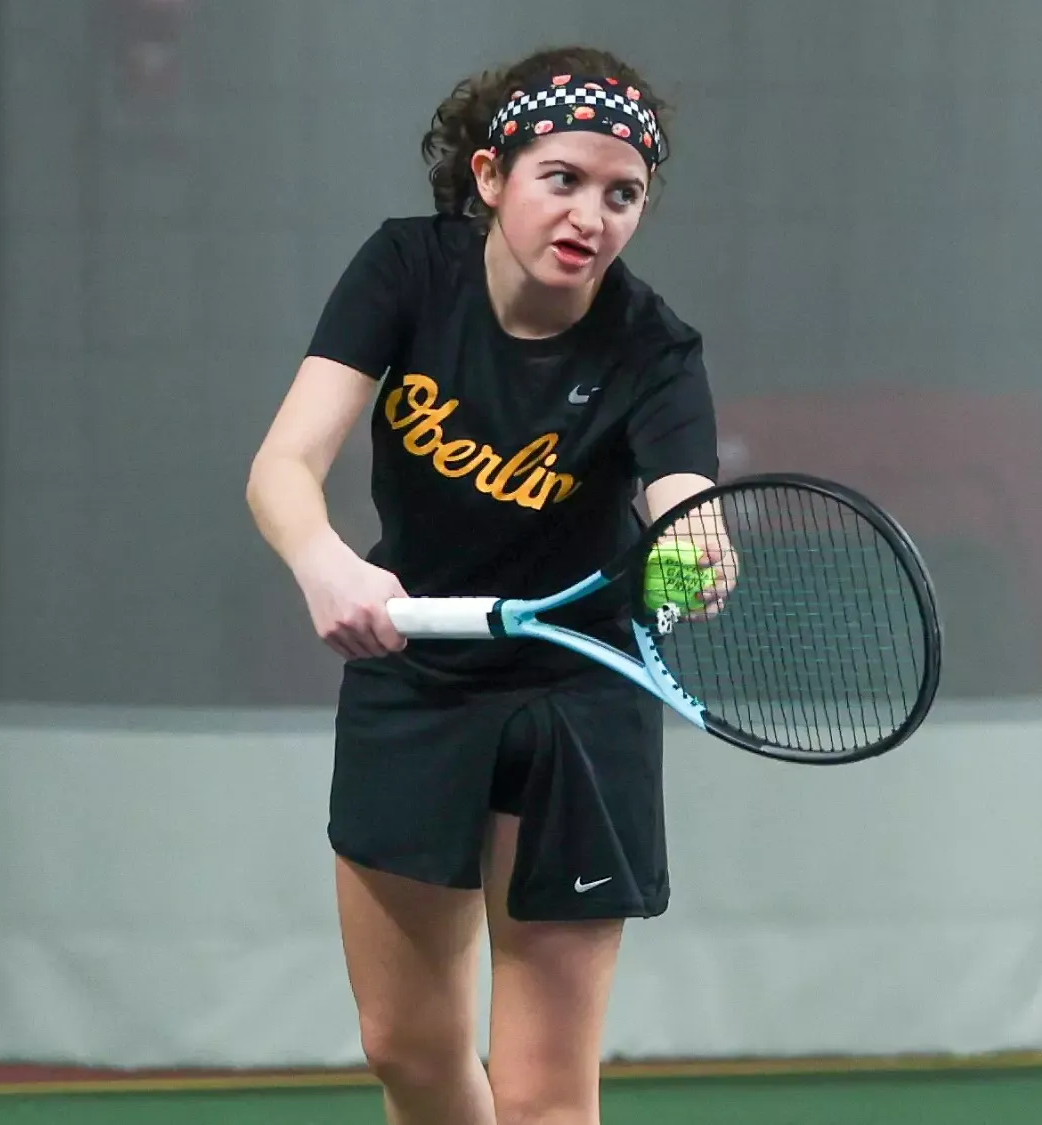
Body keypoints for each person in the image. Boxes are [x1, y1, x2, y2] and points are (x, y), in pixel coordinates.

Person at [246, 44, 720, 1125]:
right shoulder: (405, 273)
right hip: (413, 669)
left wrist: (697, 550)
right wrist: (327, 564)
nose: (589, 216)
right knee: (405, 1050)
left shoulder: (652, 347)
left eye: (622, 194)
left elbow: (684, 498)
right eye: (563, 178)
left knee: (546, 1093)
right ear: (491, 175)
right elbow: (282, 468)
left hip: (578, 697)